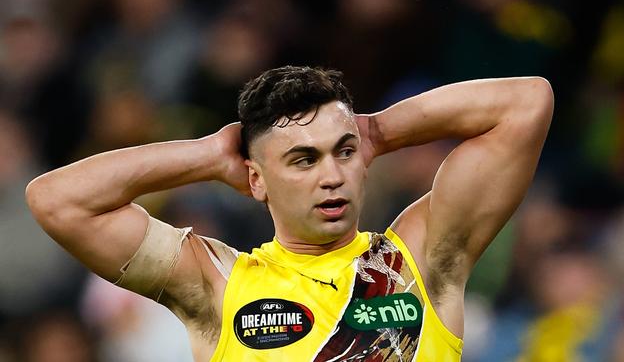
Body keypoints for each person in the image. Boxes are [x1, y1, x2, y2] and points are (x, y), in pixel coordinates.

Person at [26, 66, 553, 361]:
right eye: (303, 159)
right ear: (256, 179)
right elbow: (57, 200)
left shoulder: (417, 260)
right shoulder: (218, 285)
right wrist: (211, 156)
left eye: (343, 153)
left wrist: (377, 131)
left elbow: (527, 103)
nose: (332, 176)